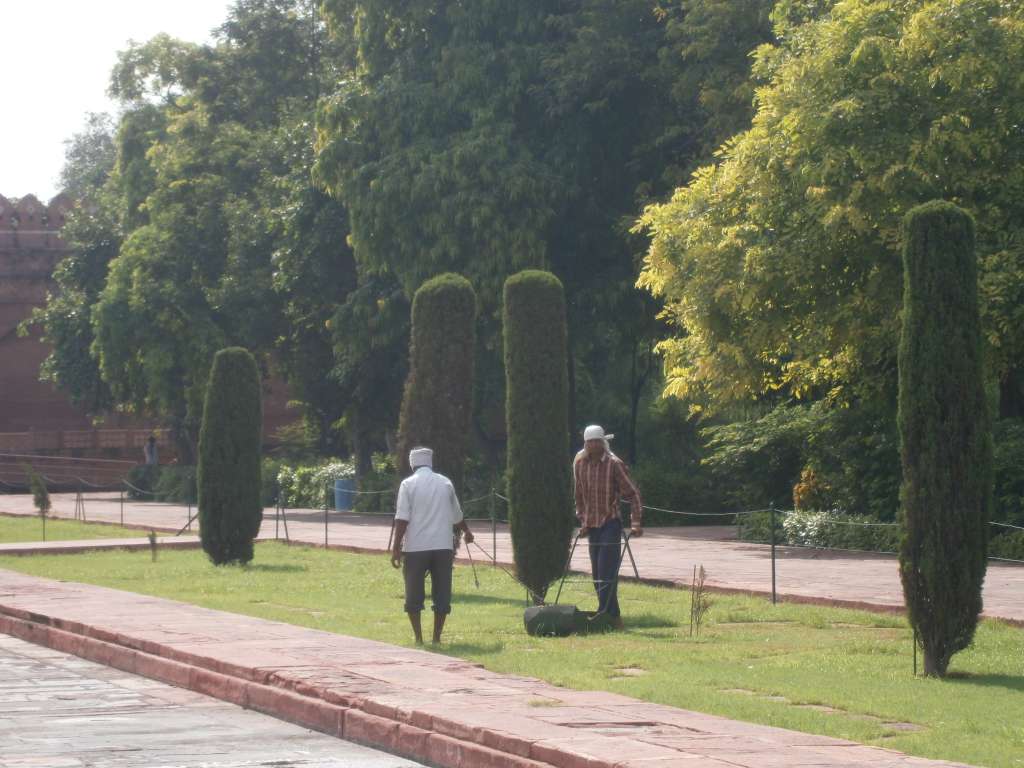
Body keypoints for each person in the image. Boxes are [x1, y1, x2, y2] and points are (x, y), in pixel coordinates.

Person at [390, 446, 474, 644]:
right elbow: (457, 515)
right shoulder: (445, 483)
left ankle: (419, 638)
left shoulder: (408, 484)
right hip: (443, 547)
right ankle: (436, 637)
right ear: (430, 462)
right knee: (442, 592)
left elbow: (402, 518)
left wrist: (395, 548)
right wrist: (467, 532)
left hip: (416, 547)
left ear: (412, 464)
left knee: (413, 593)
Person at [573, 425, 643, 629]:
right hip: (592, 526)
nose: (594, 445)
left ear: (603, 443)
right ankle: (612, 617)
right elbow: (579, 496)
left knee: (606, 572)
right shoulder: (580, 465)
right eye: (590, 442)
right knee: (597, 575)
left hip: (610, 523)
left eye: (597, 441)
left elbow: (633, 494)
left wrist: (636, 523)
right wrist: (582, 520)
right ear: (585, 444)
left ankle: (606, 615)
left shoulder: (614, 464)